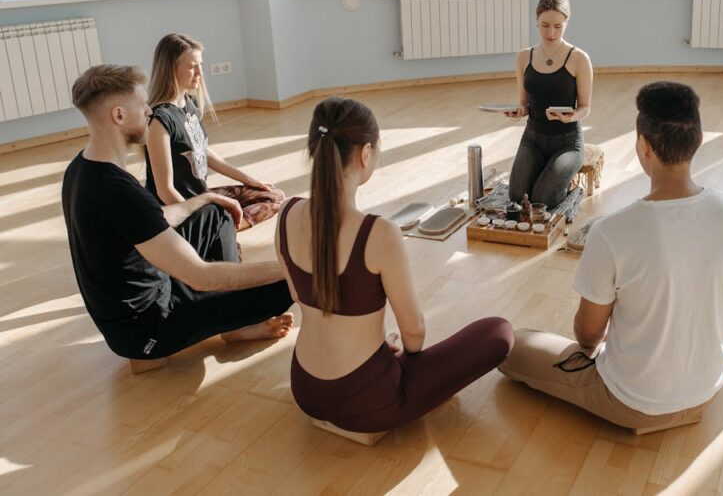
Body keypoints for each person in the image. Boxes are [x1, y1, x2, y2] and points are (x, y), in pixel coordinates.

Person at [499, 82, 723, 433]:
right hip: (708, 389)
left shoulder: (613, 231)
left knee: (509, 344)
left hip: (632, 402)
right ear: (698, 140)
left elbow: (588, 337)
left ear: (643, 147)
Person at [278, 96, 514, 436]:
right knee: (499, 332)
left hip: (306, 390)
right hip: (368, 403)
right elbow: (414, 334)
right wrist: (397, 357)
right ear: (365, 153)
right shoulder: (378, 233)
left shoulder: (286, 214)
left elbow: (303, 299)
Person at [61, 65, 294, 373]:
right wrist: (293, 267)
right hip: (149, 328)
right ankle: (172, 346)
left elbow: (152, 219)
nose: (149, 111)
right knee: (297, 283)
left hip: (138, 304)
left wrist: (206, 198)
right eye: (142, 105)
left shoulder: (82, 168)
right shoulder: (119, 192)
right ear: (118, 116)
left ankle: (235, 324)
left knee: (215, 214)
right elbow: (202, 276)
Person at [145, 32, 284, 230]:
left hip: (202, 195)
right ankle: (217, 229)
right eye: (193, 67)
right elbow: (165, 191)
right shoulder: (160, 121)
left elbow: (202, 151)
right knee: (221, 217)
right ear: (170, 69)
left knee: (274, 196)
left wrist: (248, 180)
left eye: (200, 65)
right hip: (179, 207)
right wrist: (201, 216)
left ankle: (223, 227)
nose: (200, 74)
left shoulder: (188, 103)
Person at [505, 0, 594, 208]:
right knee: (516, 197)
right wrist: (519, 110)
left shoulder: (579, 58)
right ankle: (548, 172)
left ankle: (571, 190)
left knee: (541, 201)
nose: (551, 32)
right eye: (545, 25)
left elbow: (585, 107)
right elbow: (524, 103)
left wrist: (573, 116)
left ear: (566, 23)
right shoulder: (524, 57)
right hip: (532, 138)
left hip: (567, 142)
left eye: (557, 26)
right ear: (536, 22)